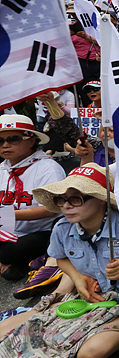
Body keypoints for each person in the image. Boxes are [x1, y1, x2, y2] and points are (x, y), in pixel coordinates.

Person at [0, 163, 119, 358]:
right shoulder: (62, 228)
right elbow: (60, 259)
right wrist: (78, 279)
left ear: (100, 200)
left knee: (89, 353)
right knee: (9, 333)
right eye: (61, 199)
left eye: (75, 199)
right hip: (88, 299)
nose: (66, 206)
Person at [0, 114, 65, 281]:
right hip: (8, 229)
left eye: (13, 139)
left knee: (9, 252)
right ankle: (18, 263)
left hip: (41, 230)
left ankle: (41, 257)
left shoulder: (48, 168)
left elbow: (53, 208)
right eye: (0, 141)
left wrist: (9, 214)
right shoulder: (2, 169)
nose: (5, 145)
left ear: (31, 140)